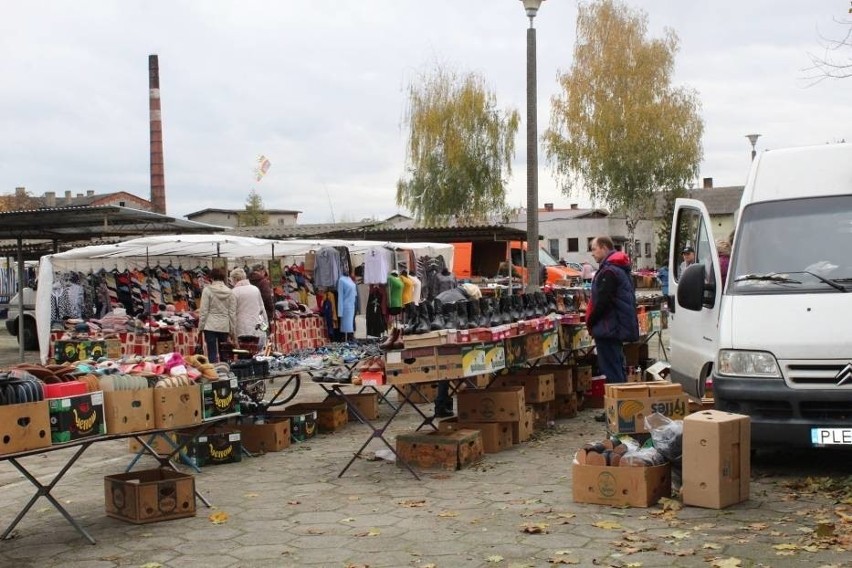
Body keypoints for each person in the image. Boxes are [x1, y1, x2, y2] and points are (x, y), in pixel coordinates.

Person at [586, 236, 640, 421]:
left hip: (608, 328)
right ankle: (617, 408)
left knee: (612, 369)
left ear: (603, 247)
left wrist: (591, 321)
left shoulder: (609, 271)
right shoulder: (618, 268)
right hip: (614, 327)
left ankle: (618, 412)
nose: (592, 253)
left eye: (593, 249)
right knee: (616, 367)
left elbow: (602, 301)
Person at [198, 267, 237, 363]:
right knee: (224, 352)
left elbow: (203, 311)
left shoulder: (207, 290)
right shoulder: (230, 292)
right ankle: (225, 372)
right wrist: (232, 331)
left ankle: (214, 372)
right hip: (224, 325)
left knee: (212, 352)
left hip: (210, 325)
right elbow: (232, 313)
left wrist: (200, 327)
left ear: (211, 278)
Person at [229, 267, 268, 351]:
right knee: (258, 353)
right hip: (257, 327)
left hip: (241, 329)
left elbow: (232, 313)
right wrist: (265, 325)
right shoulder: (255, 289)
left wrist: (231, 331)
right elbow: (262, 309)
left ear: (235, 279)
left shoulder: (234, 292)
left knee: (244, 353)